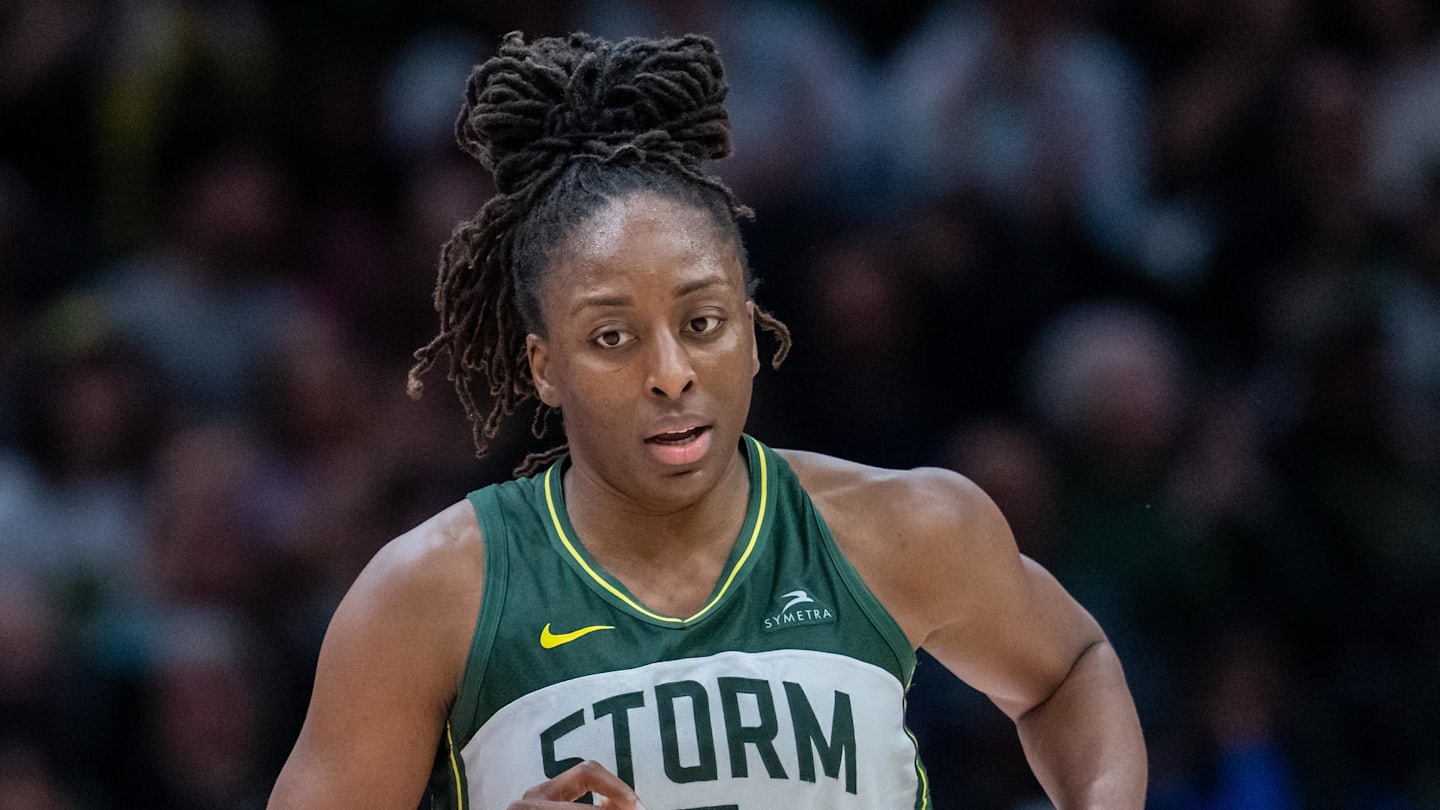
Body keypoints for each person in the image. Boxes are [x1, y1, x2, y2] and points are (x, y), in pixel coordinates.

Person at [267, 31, 1146, 809]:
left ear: (752, 333)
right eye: (612, 338)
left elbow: (1071, 669)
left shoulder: (905, 527)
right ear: (545, 367)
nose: (671, 373)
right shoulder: (430, 594)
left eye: (703, 323)